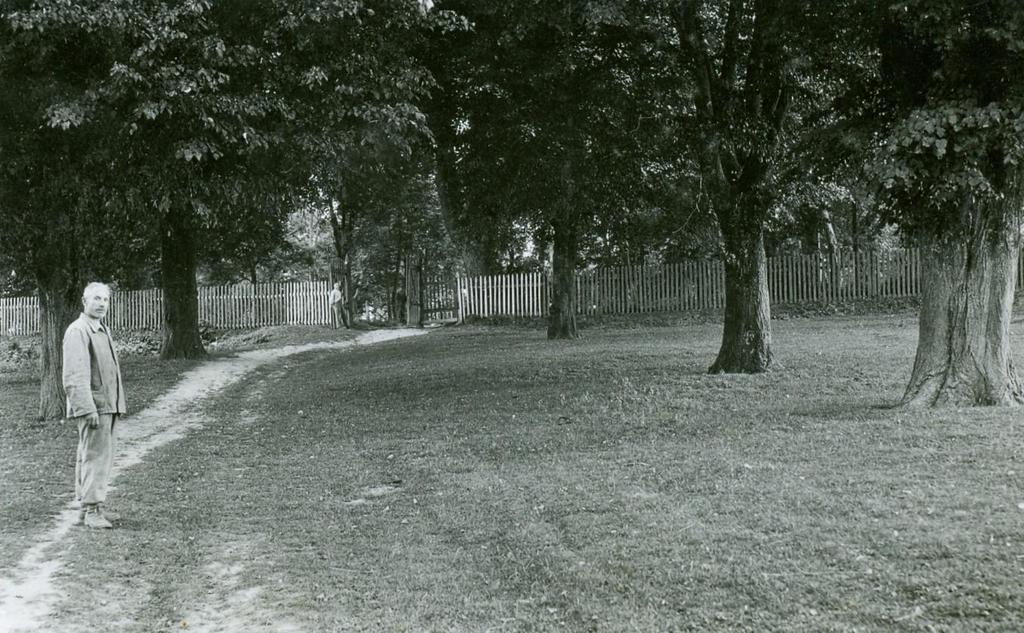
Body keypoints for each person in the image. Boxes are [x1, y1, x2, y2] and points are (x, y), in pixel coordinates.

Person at [62, 282, 127, 529]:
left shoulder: (100, 329)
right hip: (95, 407)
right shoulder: (78, 331)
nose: (101, 304)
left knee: (97, 456)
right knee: (95, 457)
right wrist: (86, 408)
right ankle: (92, 511)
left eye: (105, 300)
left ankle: (88, 508)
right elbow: (74, 376)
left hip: (107, 405)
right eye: (96, 299)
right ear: (84, 301)